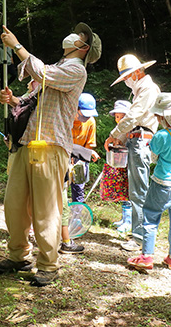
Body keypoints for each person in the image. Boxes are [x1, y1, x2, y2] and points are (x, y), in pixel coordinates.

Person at [0, 22, 102, 286]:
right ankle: (18, 256)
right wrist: (13, 100)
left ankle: (48, 265)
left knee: (46, 209)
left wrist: (16, 45)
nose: (73, 36)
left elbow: (40, 71)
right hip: (26, 143)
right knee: (14, 205)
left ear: (84, 47)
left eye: (80, 36)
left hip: (51, 146)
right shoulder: (57, 68)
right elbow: (31, 100)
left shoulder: (76, 70)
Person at [127, 93, 171, 272]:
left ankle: (147, 256)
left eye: (158, 115)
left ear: (164, 117)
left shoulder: (162, 135)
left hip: (162, 184)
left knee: (150, 217)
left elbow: (154, 157)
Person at [104, 55, 160, 251]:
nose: (127, 80)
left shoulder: (147, 89)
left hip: (141, 141)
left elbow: (134, 116)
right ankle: (141, 234)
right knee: (136, 190)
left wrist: (114, 134)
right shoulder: (141, 89)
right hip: (136, 140)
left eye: (128, 75)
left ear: (137, 72)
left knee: (139, 191)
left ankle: (140, 237)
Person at [59, 93, 100, 255]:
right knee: (62, 189)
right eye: (83, 114)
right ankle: (60, 221)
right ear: (75, 109)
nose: (85, 118)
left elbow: (90, 144)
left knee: (78, 189)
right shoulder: (65, 119)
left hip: (81, 160)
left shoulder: (90, 122)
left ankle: (75, 219)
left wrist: (87, 154)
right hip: (63, 157)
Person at [102, 100, 132, 232]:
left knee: (129, 192)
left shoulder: (131, 130)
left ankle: (129, 220)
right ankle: (124, 218)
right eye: (117, 117)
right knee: (122, 193)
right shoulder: (117, 131)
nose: (119, 120)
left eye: (122, 117)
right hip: (119, 165)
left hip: (128, 165)